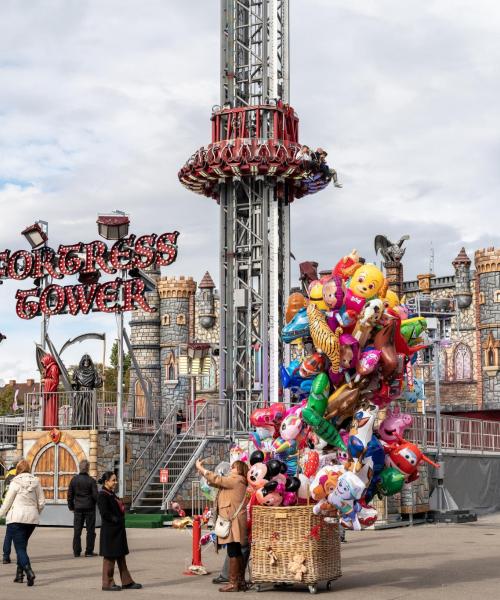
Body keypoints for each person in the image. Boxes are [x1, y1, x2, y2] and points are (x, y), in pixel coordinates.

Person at [195, 458, 249, 593]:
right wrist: (203, 473)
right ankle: (239, 581)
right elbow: (215, 482)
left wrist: (202, 469)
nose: (231, 468)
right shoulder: (235, 481)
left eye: (234, 467)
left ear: (240, 470)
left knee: (233, 551)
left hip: (233, 522)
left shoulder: (237, 480)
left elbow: (218, 480)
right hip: (233, 521)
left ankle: (233, 583)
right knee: (236, 551)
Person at [0, 459, 45, 586]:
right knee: (23, 546)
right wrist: (36, 512)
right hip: (31, 520)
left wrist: (1, 514)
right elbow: (42, 502)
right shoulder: (36, 481)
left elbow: (7, 503)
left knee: (19, 548)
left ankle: (29, 571)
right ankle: (19, 575)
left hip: (16, 519)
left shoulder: (15, 482)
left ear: (18, 470)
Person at [97, 471, 142, 592]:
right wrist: (116, 520)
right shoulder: (102, 495)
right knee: (109, 558)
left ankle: (127, 582)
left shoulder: (111, 494)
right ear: (106, 482)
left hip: (117, 531)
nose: (116, 482)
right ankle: (107, 583)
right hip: (110, 531)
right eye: (113, 480)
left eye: (116, 480)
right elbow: (105, 513)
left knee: (121, 557)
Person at [68, 459, 98, 557]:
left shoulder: (74, 480)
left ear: (79, 468)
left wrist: (71, 507)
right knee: (90, 531)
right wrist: (96, 504)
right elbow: (95, 496)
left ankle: (76, 552)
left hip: (78, 508)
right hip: (89, 508)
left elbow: (70, 495)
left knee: (77, 531)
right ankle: (89, 551)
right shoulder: (92, 481)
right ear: (88, 468)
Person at [1, 461, 18, 564]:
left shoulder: (8, 475)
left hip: (9, 508)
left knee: (9, 533)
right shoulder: (19, 475)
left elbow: (5, 493)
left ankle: (6, 556)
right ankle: (20, 554)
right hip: (19, 507)